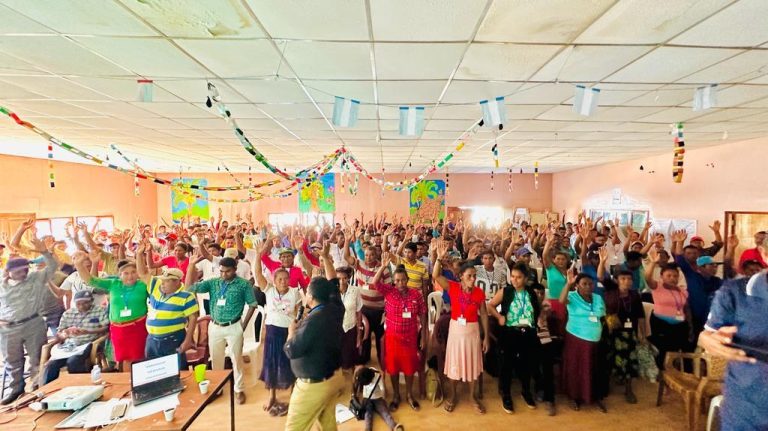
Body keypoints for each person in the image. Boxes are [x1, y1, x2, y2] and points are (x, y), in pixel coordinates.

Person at [698, 266, 768, 431]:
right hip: (746, 408)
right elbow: (709, 335)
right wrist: (707, 340)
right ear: (765, 254)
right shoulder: (734, 292)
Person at [186, 250, 258, 405]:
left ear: (235, 268)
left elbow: (253, 305)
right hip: (215, 326)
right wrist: (191, 266)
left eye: (228, 271)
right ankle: (218, 388)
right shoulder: (213, 282)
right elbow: (190, 288)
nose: (224, 275)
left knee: (236, 359)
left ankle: (238, 389)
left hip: (234, 326)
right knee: (216, 359)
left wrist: (243, 325)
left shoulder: (243, 285)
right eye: (222, 271)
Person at [0, 221, 57, 404]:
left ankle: (36, 389)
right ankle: (15, 389)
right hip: (8, 328)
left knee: (37, 359)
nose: (23, 273)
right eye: (19, 271)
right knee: (12, 362)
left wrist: (44, 251)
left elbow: (53, 267)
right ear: (9, 273)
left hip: (33, 323)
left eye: (25, 270)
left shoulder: (35, 278)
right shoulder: (2, 284)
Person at [433, 241, 490, 414]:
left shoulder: (479, 293)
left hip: (472, 331)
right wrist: (438, 258)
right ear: (461, 277)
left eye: (474, 276)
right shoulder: (453, 287)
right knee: (455, 364)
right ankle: (453, 396)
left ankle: (472, 396)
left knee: (472, 366)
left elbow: (484, 314)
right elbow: (436, 275)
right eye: (469, 276)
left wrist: (486, 336)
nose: (473, 279)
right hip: (456, 331)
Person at [284, 277, 345, 431]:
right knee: (327, 424)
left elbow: (292, 350)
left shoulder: (313, 322)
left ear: (310, 297)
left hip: (313, 386)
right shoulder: (335, 309)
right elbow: (334, 289)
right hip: (333, 379)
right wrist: (325, 258)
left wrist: (291, 332)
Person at [371, 254, 427, 412]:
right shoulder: (389, 291)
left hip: (410, 338)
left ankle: (409, 395)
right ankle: (396, 396)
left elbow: (423, 314)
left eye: (403, 280)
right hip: (393, 338)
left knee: (409, 368)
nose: (400, 283)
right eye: (397, 281)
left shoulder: (416, 294)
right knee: (393, 368)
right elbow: (375, 282)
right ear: (393, 281)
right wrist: (382, 266)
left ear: (407, 279)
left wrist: (423, 336)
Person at [75, 256, 148, 372]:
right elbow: (90, 280)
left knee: (139, 357)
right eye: (126, 273)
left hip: (137, 327)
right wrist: (79, 266)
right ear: (120, 275)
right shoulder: (113, 284)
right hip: (118, 329)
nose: (130, 276)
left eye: (133, 272)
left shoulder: (143, 285)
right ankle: (127, 383)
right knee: (124, 359)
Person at [487, 263, 541, 413]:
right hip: (510, 332)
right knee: (507, 364)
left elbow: (537, 310)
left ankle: (526, 391)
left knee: (526, 363)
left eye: (519, 277)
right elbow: (490, 306)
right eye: (513, 277)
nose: (515, 280)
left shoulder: (531, 293)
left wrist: (538, 319)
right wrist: (499, 317)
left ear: (525, 278)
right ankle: (506, 394)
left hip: (528, 332)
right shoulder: (506, 291)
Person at [136, 242, 198, 368]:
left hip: (173, 339)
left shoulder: (186, 296)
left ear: (176, 282)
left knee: (175, 372)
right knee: (154, 372)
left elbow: (193, 318)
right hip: (152, 340)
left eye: (166, 282)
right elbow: (143, 273)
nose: (162, 284)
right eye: (162, 281)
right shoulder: (155, 287)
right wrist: (139, 254)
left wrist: (188, 341)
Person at [255, 249, 301, 416]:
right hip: (272, 333)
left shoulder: (295, 293)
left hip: (288, 333)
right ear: (274, 281)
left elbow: (298, 311)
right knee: (271, 363)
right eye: (279, 279)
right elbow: (258, 274)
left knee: (291, 363)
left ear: (289, 280)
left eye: (285, 279)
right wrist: (259, 255)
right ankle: (272, 396)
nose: (282, 281)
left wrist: (298, 322)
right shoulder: (269, 290)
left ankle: (294, 396)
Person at [559, 271, 608, 413]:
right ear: (577, 286)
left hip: (595, 340)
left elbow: (602, 314)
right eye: (584, 284)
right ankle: (575, 397)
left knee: (593, 367)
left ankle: (593, 396)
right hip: (576, 338)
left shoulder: (598, 298)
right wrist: (568, 284)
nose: (588, 286)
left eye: (590, 284)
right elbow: (561, 300)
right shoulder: (572, 297)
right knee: (577, 368)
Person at [41, 290, 108, 384]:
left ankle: (81, 385)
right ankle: (47, 391)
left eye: (85, 303)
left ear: (91, 301)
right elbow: (60, 332)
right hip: (69, 345)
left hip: (88, 342)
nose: (81, 306)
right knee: (51, 365)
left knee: (73, 361)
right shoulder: (68, 313)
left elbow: (106, 328)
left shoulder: (98, 310)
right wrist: (65, 333)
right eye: (78, 304)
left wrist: (88, 331)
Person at [602, 265, 646, 404]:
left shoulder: (635, 295)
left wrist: (642, 334)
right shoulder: (610, 292)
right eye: (623, 278)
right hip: (611, 331)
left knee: (629, 361)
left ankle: (628, 389)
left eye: (629, 279)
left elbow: (640, 316)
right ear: (616, 280)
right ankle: (607, 385)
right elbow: (600, 277)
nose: (626, 281)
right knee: (609, 357)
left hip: (628, 332)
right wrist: (602, 262)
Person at [644, 248, 693, 369]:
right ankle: (662, 376)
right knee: (662, 351)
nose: (672, 278)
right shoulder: (658, 286)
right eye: (669, 275)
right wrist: (653, 262)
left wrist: (690, 326)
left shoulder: (682, 291)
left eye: (675, 276)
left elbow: (686, 309)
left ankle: (679, 374)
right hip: (661, 324)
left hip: (680, 325)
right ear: (662, 276)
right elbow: (647, 277)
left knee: (679, 350)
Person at [320, 245, 362, 371]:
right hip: (335, 330)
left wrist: (359, 333)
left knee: (350, 359)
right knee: (336, 360)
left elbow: (359, 312)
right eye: (339, 278)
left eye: (345, 278)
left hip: (350, 329)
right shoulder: (331, 293)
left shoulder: (355, 291)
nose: (342, 281)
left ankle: (352, 385)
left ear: (349, 278)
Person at [352, 366, 404, 431]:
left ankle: (394, 426)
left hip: (377, 398)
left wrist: (383, 399)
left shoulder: (378, 376)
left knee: (384, 412)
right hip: (367, 398)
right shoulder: (362, 373)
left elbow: (383, 390)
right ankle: (368, 429)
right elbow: (355, 381)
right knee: (368, 414)